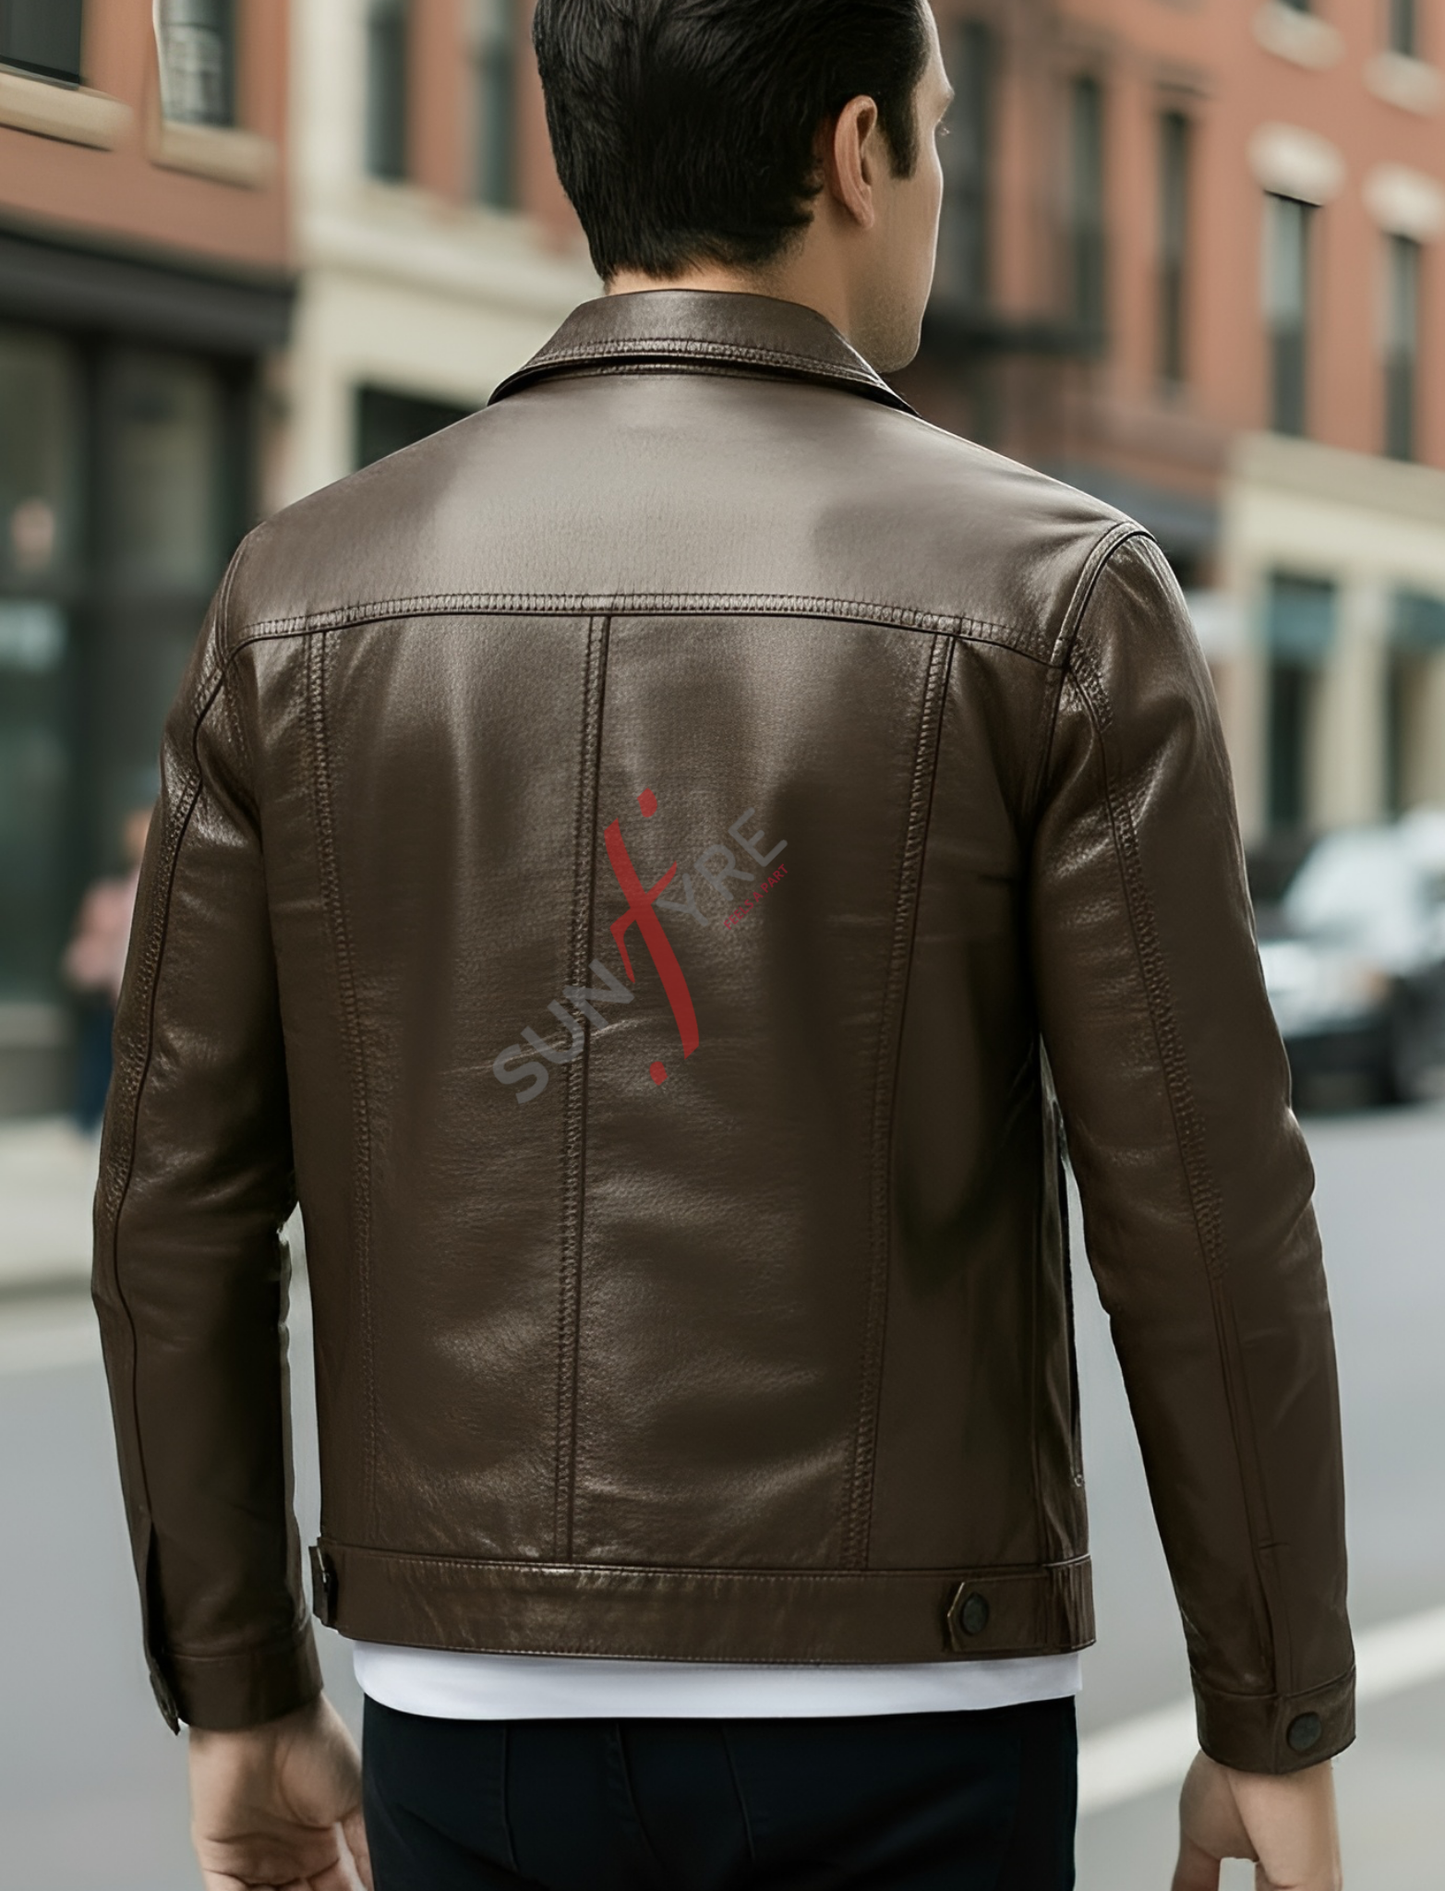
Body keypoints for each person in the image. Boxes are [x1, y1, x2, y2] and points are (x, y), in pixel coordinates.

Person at [94, 2, 1352, 1887]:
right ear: (856, 153)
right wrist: (1271, 1719)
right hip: (908, 1708)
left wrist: (239, 1685)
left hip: (469, 1708)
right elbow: (1200, 1204)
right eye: (936, 125)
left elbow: (174, 1206)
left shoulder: (299, 596)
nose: (945, 174)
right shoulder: (1058, 595)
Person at [63, 805, 151, 1132]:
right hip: (112, 992)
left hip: (130, 992)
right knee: (103, 1059)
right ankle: (91, 1120)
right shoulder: (118, 888)